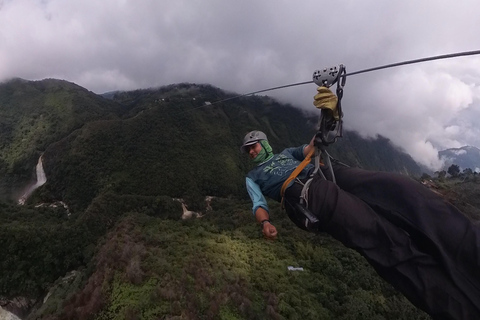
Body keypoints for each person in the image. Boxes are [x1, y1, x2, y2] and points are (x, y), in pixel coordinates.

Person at [241, 111, 480, 319]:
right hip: (307, 194)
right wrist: (265, 223)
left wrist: (324, 126)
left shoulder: (286, 153)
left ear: (265, 144)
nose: (252, 151)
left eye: (255, 146)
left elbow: (310, 149)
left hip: (325, 171)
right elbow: (258, 203)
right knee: (383, 238)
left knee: (404, 191)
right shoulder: (253, 177)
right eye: (249, 150)